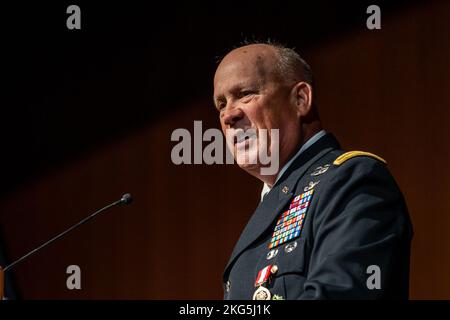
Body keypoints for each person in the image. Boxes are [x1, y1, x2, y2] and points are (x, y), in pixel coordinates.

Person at [213, 42, 413, 300]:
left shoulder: (354, 180)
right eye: (221, 104)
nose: (228, 115)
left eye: (245, 94)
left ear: (300, 99)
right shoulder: (271, 205)